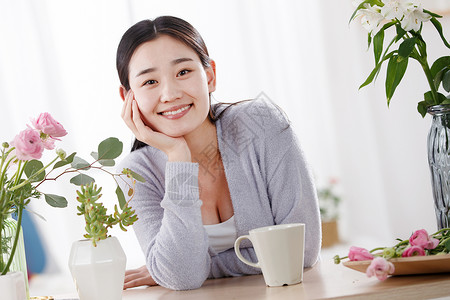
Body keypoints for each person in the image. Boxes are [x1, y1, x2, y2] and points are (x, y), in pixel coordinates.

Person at [116, 16, 321, 291]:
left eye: (183, 72)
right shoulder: (135, 174)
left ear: (210, 75)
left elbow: (302, 251)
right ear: (127, 97)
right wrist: (178, 156)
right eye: (150, 81)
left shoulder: (260, 124)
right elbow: (182, 277)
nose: (170, 93)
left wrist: (197, 267)